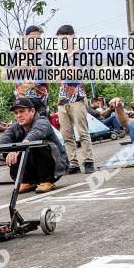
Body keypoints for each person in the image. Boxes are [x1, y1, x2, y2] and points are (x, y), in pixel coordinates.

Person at [0, 98, 68, 194]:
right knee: (8, 150)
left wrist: (18, 149)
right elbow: (2, 140)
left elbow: (35, 134)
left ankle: (46, 180)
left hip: (55, 167)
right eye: (16, 113)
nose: (19, 115)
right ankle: (27, 181)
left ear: (32, 111)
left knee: (36, 144)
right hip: (34, 167)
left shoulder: (42, 121)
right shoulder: (14, 127)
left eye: (22, 111)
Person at [54, 24, 94, 174]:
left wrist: (64, 70)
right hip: (62, 98)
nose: (63, 42)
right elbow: (57, 77)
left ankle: (88, 160)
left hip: (77, 96)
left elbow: (75, 73)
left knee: (82, 131)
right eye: (60, 40)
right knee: (66, 134)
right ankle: (73, 162)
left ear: (72, 36)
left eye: (65, 38)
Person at [12, 25, 50, 117]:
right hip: (23, 99)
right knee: (25, 128)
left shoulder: (44, 55)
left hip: (40, 100)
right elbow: (4, 75)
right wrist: (19, 67)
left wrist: (47, 94)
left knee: (43, 126)